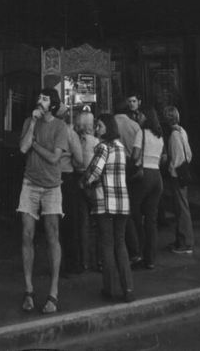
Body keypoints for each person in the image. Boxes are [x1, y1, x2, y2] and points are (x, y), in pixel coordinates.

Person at [17, 87, 68, 317]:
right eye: (39, 97)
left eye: (45, 99)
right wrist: (32, 127)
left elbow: (55, 157)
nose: (40, 101)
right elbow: (22, 147)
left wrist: (36, 144)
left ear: (54, 105)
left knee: (52, 235)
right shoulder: (30, 121)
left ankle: (53, 291)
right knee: (27, 234)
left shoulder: (60, 126)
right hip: (30, 184)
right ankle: (28, 289)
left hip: (52, 187)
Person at [80, 113, 134, 303]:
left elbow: (94, 172)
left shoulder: (103, 147)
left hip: (105, 202)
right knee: (120, 244)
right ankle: (128, 288)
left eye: (101, 126)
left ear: (108, 128)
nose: (97, 129)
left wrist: (84, 182)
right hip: (122, 203)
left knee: (107, 245)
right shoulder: (120, 147)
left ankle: (110, 288)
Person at [130, 107, 164, 270]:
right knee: (151, 218)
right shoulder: (159, 136)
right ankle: (150, 259)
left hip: (144, 175)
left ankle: (137, 252)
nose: (139, 117)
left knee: (133, 212)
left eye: (141, 114)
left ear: (146, 117)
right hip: (157, 176)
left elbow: (136, 155)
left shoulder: (141, 133)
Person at [162, 105, 195, 255]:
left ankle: (185, 242)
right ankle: (181, 240)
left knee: (181, 208)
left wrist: (170, 167)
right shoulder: (182, 131)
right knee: (182, 206)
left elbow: (176, 158)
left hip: (177, 175)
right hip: (184, 172)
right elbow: (188, 154)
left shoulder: (174, 135)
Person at [114, 101, 143, 263]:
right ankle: (138, 246)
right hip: (134, 168)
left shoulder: (111, 125)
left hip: (119, 168)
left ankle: (131, 247)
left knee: (124, 211)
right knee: (134, 208)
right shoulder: (135, 125)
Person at [57, 103, 84, 275]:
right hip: (67, 177)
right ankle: (72, 264)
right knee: (70, 223)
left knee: (54, 224)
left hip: (49, 177)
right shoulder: (69, 132)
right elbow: (80, 159)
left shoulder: (47, 130)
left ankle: (57, 264)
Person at [75, 109, 98, 271]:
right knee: (97, 223)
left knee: (83, 223)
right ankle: (98, 259)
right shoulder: (96, 142)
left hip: (79, 179)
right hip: (93, 183)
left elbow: (76, 162)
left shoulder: (77, 141)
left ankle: (84, 261)